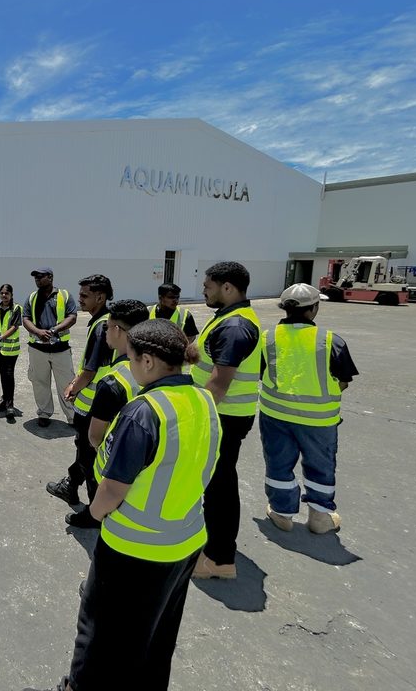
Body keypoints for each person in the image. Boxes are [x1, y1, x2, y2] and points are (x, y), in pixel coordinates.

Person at [40, 319, 220, 691]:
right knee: (156, 632)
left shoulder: (144, 412)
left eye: (132, 358)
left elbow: (111, 490)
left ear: (149, 361)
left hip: (134, 546)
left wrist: (92, 513)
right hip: (185, 539)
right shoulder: (203, 398)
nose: (130, 366)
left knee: (98, 629)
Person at [259, 283, 357, 534]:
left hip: (275, 415)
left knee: (278, 463)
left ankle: (282, 514)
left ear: (284, 308)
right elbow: (343, 380)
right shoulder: (330, 340)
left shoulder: (267, 338)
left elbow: (261, 373)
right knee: (320, 466)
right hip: (318, 420)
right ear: (313, 309)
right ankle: (320, 518)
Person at [190, 261, 262, 580]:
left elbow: (219, 384)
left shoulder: (234, 327)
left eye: (208, 286)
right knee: (215, 482)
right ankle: (215, 547)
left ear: (227, 288)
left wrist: (193, 417)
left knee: (219, 486)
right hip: (224, 416)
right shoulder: (228, 319)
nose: (203, 290)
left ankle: (220, 559)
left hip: (223, 417)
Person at [58, 298, 147, 528]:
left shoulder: (114, 381)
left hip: (114, 458)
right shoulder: (149, 367)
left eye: (107, 325)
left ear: (117, 330)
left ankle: (94, 515)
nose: (104, 329)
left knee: (90, 463)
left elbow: (95, 438)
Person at [45, 275, 111, 519]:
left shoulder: (101, 326)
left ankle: (93, 513)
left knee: (89, 457)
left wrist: (72, 388)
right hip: (101, 402)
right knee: (85, 452)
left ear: (100, 297)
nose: (80, 299)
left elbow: (91, 370)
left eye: (84, 295)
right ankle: (71, 486)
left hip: (93, 405)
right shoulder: (105, 321)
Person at [22, 266, 78, 427]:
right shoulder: (32, 297)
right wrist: (38, 332)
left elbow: (72, 316)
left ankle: (72, 416)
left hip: (60, 349)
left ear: (50, 277)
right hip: (38, 349)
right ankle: (44, 413)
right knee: (40, 383)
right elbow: (25, 319)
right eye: (35, 277)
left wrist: (54, 330)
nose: (37, 279)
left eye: (40, 276)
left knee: (67, 383)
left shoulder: (64, 295)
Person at [0, 283, 21, 423]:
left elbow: (14, 327)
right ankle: (4, 400)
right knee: (3, 375)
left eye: (6, 293)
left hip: (11, 349)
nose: (4, 295)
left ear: (11, 295)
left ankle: (10, 405)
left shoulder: (16, 308)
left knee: (9, 375)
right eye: (2, 293)